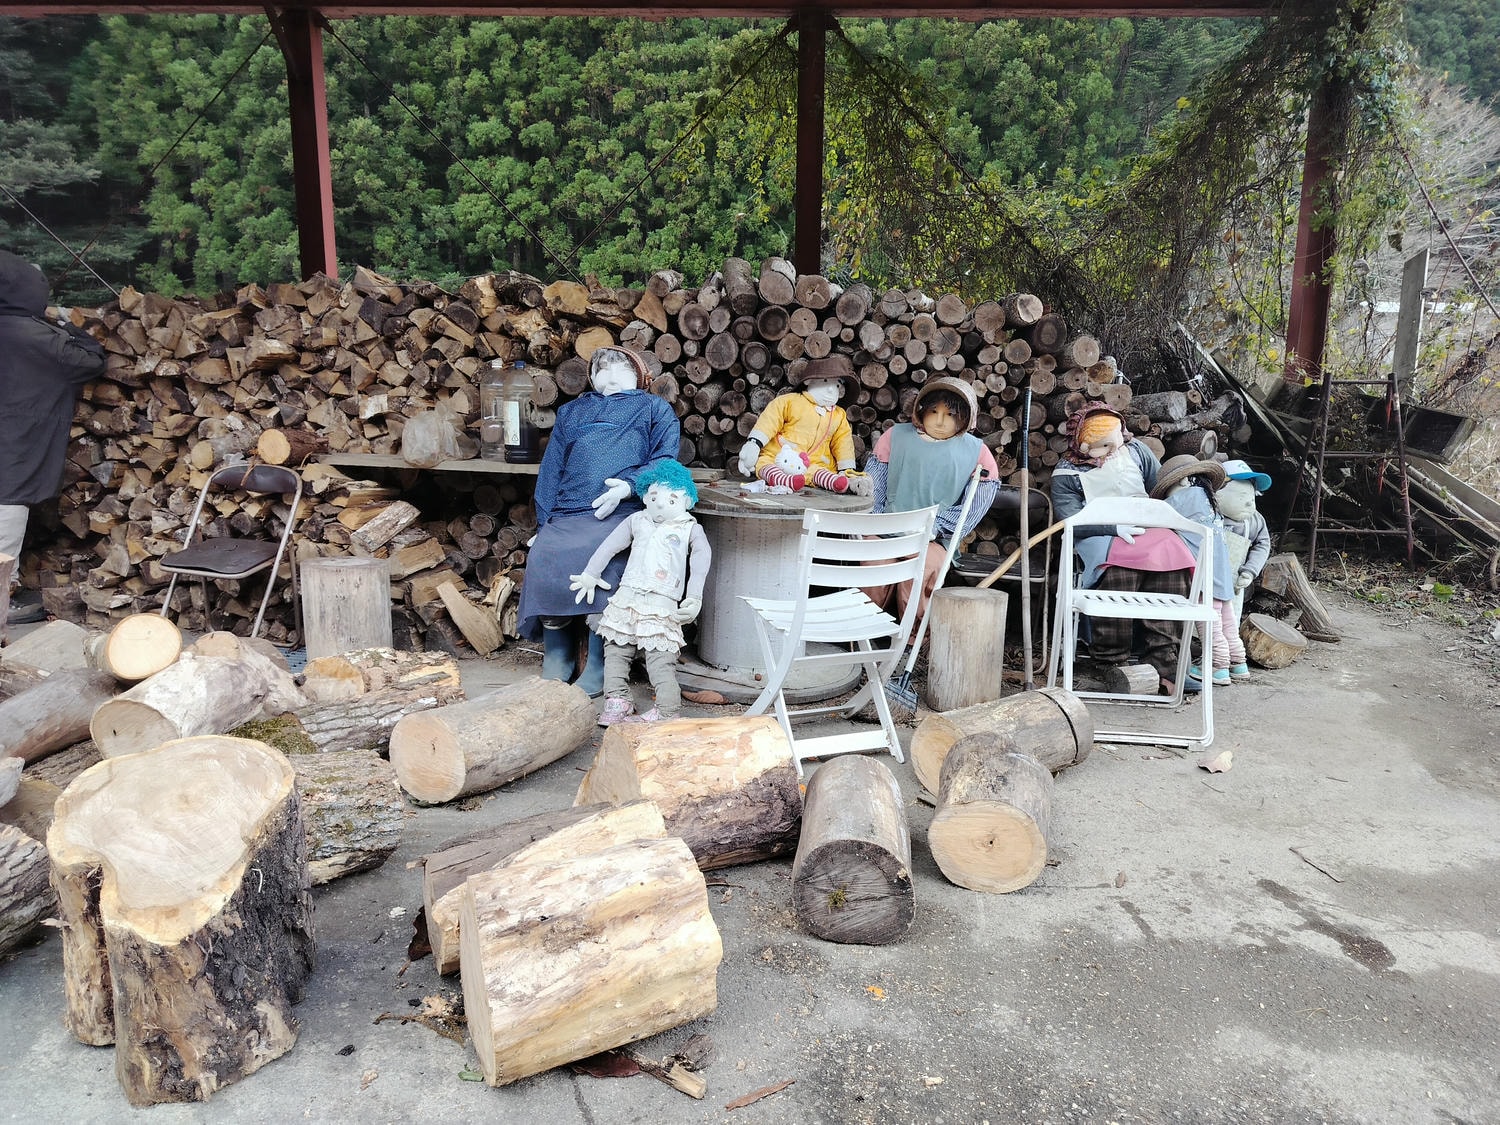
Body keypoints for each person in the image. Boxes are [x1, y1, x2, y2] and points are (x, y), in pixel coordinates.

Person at [517, 345, 680, 695]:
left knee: (607, 557)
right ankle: (557, 655)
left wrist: (629, 486)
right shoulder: (572, 411)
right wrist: (544, 522)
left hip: (624, 510)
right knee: (546, 553)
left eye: (620, 368)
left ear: (639, 376)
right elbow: (551, 469)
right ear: (591, 378)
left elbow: (665, 458)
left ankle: (598, 660)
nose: (610, 374)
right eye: (601, 369)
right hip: (569, 509)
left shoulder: (655, 408)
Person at [1049, 403, 1197, 695]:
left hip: (1148, 527)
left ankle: (1164, 659)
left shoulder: (1138, 452)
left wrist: (1161, 516)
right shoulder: (1066, 474)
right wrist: (1110, 528)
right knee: (1121, 571)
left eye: (1115, 443)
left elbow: (1160, 489)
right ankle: (1110, 659)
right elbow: (1071, 520)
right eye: (1102, 446)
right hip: (1100, 533)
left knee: (1172, 559)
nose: (1111, 451)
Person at [0, 251, 106, 624]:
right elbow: (92, 360)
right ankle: (1, 598)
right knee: (7, 506)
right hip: (15, 439)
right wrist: (67, 324)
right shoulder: (38, 336)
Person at [569, 459, 711, 724]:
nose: (660, 504)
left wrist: (694, 596)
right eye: (655, 496)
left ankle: (667, 710)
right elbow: (610, 545)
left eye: (672, 499)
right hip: (628, 598)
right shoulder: (637, 520)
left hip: (662, 602)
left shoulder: (690, 528)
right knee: (615, 651)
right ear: (646, 495)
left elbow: (701, 560)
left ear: (686, 501)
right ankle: (617, 700)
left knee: (660, 659)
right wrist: (591, 574)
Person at [860, 377, 999, 625]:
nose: (939, 420)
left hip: (934, 534)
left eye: (950, 414)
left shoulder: (976, 451)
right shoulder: (895, 437)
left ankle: (913, 634)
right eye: (933, 411)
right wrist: (877, 520)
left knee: (922, 569)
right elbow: (875, 485)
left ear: (966, 418)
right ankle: (865, 628)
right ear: (920, 410)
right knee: (874, 563)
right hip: (887, 524)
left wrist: (938, 526)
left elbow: (975, 504)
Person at [1151, 455, 1232, 690]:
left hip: (1202, 571)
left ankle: (1218, 666)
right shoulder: (1208, 499)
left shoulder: (1187, 497)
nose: (1171, 495)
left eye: (1171, 488)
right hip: (1222, 570)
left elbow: (1156, 514)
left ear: (1185, 481)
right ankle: (1238, 662)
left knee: (1209, 623)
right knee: (1226, 620)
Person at [737, 355, 871, 494]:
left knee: (820, 472)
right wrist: (754, 443)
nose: (832, 390)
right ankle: (783, 479)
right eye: (825, 381)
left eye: (837, 384)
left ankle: (836, 482)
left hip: (813, 464)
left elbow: (843, 442)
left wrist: (845, 469)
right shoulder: (790, 401)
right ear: (809, 381)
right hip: (778, 456)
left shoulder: (839, 415)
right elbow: (770, 420)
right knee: (765, 465)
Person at [1216, 459, 1273, 681]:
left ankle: (1230, 661)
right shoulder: (1212, 516)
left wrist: (1250, 570)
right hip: (1206, 577)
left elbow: (1263, 544)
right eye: (1242, 498)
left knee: (1230, 618)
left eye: (1251, 498)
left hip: (1236, 579)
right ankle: (1221, 657)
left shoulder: (1254, 521)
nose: (1249, 504)